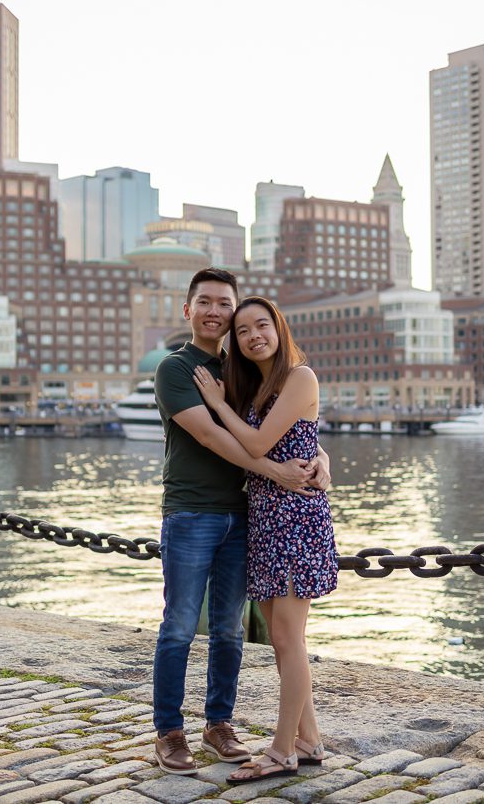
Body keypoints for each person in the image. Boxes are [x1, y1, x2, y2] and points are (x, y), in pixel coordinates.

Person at [152, 268, 331, 775]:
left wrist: (320, 457)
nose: (215, 310)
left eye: (223, 303)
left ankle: (220, 725)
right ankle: (168, 732)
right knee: (181, 625)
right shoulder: (176, 368)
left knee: (230, 631)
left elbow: (287, 423)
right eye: (204, 301)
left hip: (248, 514)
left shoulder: (244, 368)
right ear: (188, 311)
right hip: (192, 511)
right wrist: (273, 469)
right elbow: (212, 436)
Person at [192, 295, 338, 784]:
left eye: (262, 325)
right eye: (244, 331)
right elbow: (296, 437)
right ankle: (309, 740)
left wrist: (215, 404)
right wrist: (320, 453)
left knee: (286, 639)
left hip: (296, 518)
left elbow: (256, 445)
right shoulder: (257, 387)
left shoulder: (300, 376)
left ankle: (282, 750)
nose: (254, 336)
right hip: (267, 519)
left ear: (279, 327)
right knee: (283, 643)